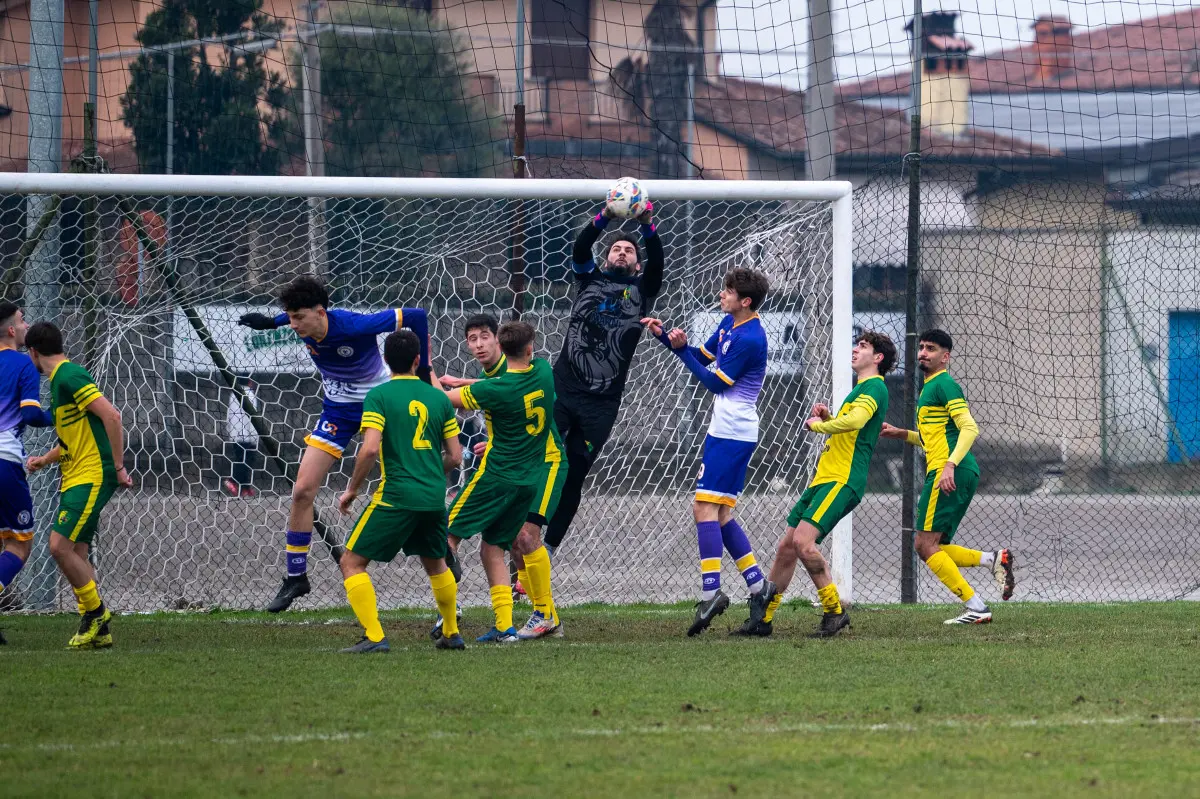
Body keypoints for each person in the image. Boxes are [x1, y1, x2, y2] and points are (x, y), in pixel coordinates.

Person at [237, 277, 430, 612]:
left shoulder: (355, 325)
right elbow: (295, 318)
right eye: (290, 317)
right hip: (338, 411)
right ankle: (296, 577)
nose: (292, 324)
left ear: (321, 313)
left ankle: (441, 554)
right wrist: (272, 323)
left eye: (297, 318)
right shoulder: (307, 325)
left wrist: (425, 372)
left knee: (410, 484)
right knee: (302, 491)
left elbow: (417, 316)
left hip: (380, 405)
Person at [642, 268, 772, 637]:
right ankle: (757, 586)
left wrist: (682, 352)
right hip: (725, 430)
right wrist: (667, 338)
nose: (721, 294)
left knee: (703, 506)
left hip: (733, 432)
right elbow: (701, 353)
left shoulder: (751, 338)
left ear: (744, 301)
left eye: (727, 291)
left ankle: (711, 591)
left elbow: (714, 382)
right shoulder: (730, 325)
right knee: (721, 514)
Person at [751, 332, 896, 639]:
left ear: (878, 358)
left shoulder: (874, 388)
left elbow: (855, 422)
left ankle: (834, 611)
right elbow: (852, 429)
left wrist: (821, 426)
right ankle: (761, 618)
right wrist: (830, 416)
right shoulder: (861, 391)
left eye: (863, 346)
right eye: (855, 344)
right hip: (824, 478)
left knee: (804, 543)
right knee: (786, 548)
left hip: (843, 480)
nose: (855, 349)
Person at [544, 201, 664, 557]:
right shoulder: (588, 279)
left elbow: (657, 261)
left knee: (575, 474)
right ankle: (525, 539)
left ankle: (548, 548)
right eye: (616, 249)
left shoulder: (644, 290)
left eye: (629, 251)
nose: (622, 253)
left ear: (637, 264)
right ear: (606, 257)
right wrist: (605, 218)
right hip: (562, 391)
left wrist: (647, 226)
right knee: (541, 463)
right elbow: (580, 248)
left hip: (602, 403)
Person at [438, 314, 568, 639]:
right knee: (504, 541)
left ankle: (545, 613)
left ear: (499, 341)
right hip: (520, 462)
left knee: (524, 538)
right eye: (473, 338)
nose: (480, 344)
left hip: (546, 461)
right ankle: (509, 624)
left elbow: (496, 393)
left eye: (485, 336)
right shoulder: (537, 369)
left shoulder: (501, 381)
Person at [335, 330, 464, 652]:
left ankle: (375, 637)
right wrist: (431, 472)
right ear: (418, 361)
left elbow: (368, 451)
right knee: (436, 564)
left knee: (351, 562)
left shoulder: (379, 397)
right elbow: (456, 456)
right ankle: (451, 632)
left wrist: (351, 490)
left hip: (397, 496)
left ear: (384, 361)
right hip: (434, 497)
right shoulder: (437, 398)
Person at [880, 329, 1016, 624]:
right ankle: (993, 560)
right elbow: (938, 437)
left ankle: (978, 607)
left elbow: (969, 429)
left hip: (949, 471)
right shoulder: (930, 387)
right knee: (934, 545)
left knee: (924, 545)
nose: (922, 353)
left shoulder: (945, 384)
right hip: (957, 470)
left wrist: (949, 466)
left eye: (930, 349)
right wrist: (902, 434)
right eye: (921, 348)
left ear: (946, 356)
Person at [24, 322, 133, 648]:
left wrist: (117, 466)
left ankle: (96, 612)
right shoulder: (60, 382)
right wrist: (44, 459)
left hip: (92, 475)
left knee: (58, 547)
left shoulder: (70, 376)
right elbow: (73, 440)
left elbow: (112, 416)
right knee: (77, 552)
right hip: (76, 474)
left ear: (33, 352)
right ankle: (99, 631)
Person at [0, 302, 55, 608]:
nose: (26, 325)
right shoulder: (22, 365)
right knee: (19, 547)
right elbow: (32, 415)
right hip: (4, 462)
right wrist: (59, 416)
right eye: (22, 321)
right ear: (11, 330)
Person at [222, 375, 261, 498]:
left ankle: (245, 488)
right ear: (249, 382)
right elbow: (253, 416)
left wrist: (229, 430)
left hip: (235, 433)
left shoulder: (234, 394)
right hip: (247, 434)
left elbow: (229, 415)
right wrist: (255, 436)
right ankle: (232, 480)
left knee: (242, 459)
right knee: (246, 461)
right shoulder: (250, 394)